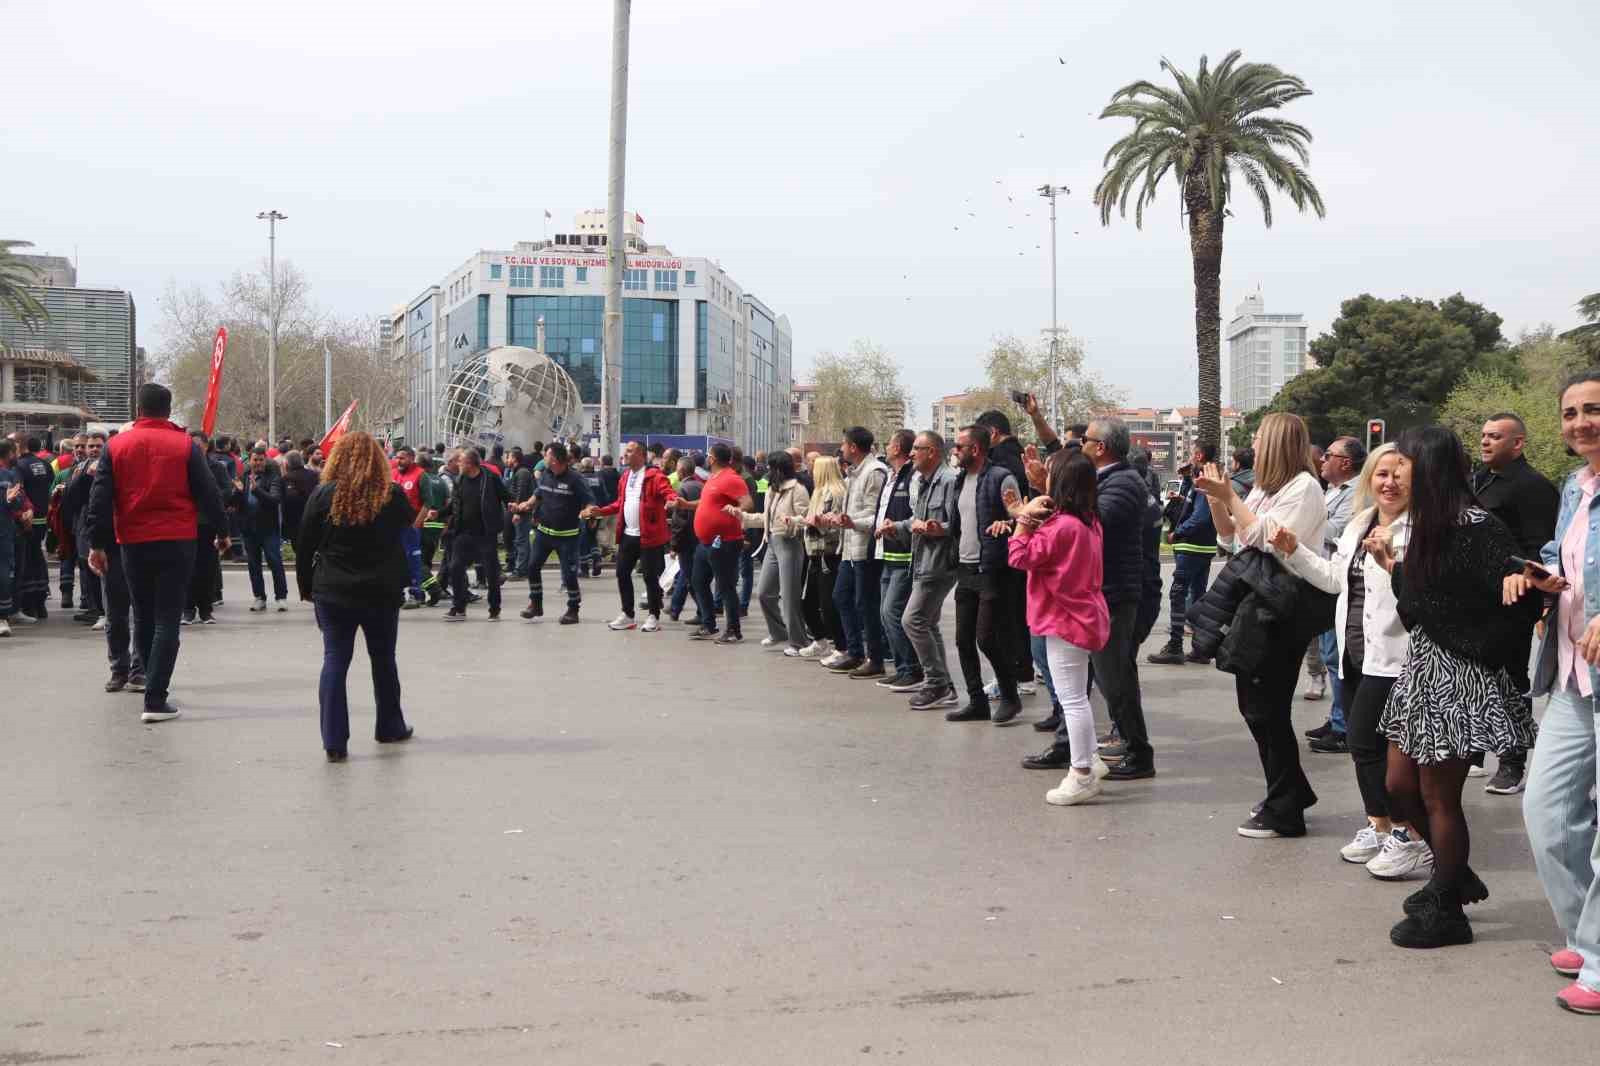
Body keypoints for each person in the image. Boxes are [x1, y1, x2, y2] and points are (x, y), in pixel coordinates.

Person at [1367, 426, 1541, 948]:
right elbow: (1418, 602)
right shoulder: (1428, 525)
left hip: (1461, 676)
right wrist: (1393, 568)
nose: (1395, 473)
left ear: (1430, 468)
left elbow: (1518, 592)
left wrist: (1496, 617)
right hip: (1423, 671)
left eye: (1405, 463)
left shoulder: (1476, 525)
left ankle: (1447, 908)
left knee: (1438, 797)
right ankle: (1453, 871)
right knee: (1398, 786)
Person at [1272, 444, 1427, 875]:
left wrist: (1392, 561)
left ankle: (1408, 833)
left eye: (1399, 474)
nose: (1389, 483)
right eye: (1381, 474)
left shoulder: (1422, 530)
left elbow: (1421, 594)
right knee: (1363, 747)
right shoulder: (1361, 522)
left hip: (1397, 658)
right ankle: (1379, 826)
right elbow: (1334, 579)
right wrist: (1293, 550)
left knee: (1372, 745)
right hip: (1355, 652)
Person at [1194, 412, 1328, 836]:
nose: (1252, 443)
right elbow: (1232, 536)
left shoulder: (1304, 487)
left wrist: (1231, 500)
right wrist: (1219, 499)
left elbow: (1266, 539)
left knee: (1265, 708)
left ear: (1276, 443)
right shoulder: (1266, 487)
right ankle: (1288, 792)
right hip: (1254, 601)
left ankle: (1286, 807)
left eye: (1258, 437)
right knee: (1255, 706)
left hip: (1281, 606)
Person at [1518, 370, 1600, 1012]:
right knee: (1546, 812)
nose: (1581, 423)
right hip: (1571, 672)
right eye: (1571, 412)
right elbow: (1566, 552)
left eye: (1594, 410)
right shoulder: (1576, 487)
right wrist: (1543, 574)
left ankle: (1598, 960)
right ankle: (1584, 929)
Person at [85, 384, 230, 721]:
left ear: (139, 409)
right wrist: (223, 532)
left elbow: (100, 499)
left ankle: (147, 683)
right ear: (168, 409)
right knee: (168, 618)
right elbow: (209, 493)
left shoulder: (117, 445)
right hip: (177, 540)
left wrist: (97, 544)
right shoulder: (184, 445)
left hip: (132, 542)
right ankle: (155, 697)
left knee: (144, 614)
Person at [1035, 417, 1154, 778]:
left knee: (1113, 678)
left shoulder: (1123, 483)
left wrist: (1049, 489)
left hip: (1114, 596)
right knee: (1077, 679)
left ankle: (1138, 752)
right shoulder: (1105, 479)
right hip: (1091, 595)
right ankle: (1069, 746)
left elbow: (1085, 523)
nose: (1078, 446)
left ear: (1100, 448)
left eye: (1083, 441)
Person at [295, 432, 415, 762]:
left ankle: (334, 739)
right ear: (378, 460)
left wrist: (306, 587)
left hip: (334, 589)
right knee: (383, 659)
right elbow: (407, 526)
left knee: (335, 659)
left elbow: (304, 545)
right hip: (381, 589)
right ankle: (390, 725)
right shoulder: (389, 494)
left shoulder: (323, 495)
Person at [1008, 450, 1112, 805]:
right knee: (1077, 697)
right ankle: (1091, 760)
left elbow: (1020, 556)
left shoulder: (1063, 526)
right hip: (1081, 614)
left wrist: (1022, 519)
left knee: (1073, 700)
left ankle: (1081, 773)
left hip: (1064, 618)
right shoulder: (1087, 520)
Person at [1472, 411, 1560, 795]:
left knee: (1509, 680)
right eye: (1484, 435)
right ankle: (1472, 748)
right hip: (1473, 599)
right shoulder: (1479, 480)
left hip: (1511, 599)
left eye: (1495, 436)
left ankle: (1512, 760)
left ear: (1518, 443)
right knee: (1474, 677)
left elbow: (1540, 549)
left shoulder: (1533, 487)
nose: (1485, 441)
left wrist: (1528, 589)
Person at [945, 424, 1024, 726]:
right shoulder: (960, 481)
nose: (955, 451)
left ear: (975, 450)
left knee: (987, 639)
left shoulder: (1001, 478)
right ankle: (976, 702)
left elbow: (1019, 516)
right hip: (965, 570)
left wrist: (1008, 525)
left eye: (959, 447)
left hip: (992, 569)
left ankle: (1009, 695)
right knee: (963, 640)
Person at [1303, 437, 1366, 751]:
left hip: (1338, 582)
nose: (1322, 460)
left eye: (1329, 455)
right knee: (1329, 654)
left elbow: (1338, 532)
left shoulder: (1356, 494)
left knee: (1335, 655)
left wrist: (1309, 518)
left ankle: (1344, 726)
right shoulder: (1332, 491)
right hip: (1323, 579)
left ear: (1346, 463)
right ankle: (1338, 718)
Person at [891, 432, 961, 709]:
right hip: (924, 559)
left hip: (939, 563)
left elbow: (956, 524)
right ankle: (944, 685)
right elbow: (917, 520)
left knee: (912, 620)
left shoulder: (949, 480)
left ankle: (937, 683)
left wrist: (936, 528)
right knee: (926, 622)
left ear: (931, 452)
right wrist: (896, 527)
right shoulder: (923, 481)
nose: (911, 454)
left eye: (917, 449)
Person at [975, 411, 1037, 699]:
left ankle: (1016, 676)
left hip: (1006, 545)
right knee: (1015, 616)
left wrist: (1011, 523)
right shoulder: (1020, 457)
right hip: (1020, 543)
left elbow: (1013, 507)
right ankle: (1023, 673)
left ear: (992, 432)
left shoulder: (1000, 464)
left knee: (1004, 620)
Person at [583, 440, 676, 632]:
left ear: (641, 455)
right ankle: (628, 615)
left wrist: (672, 501)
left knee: (650, 577)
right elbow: (619, 504)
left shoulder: (654, 476)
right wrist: (599, 512)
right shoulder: (625, 476)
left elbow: (668, 492)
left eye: (630, 451)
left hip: (649, 536)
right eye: (625, 451)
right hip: (628, 535)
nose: (625, 454)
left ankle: (653, 616)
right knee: (622, 573)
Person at [826, 427, 890, 677]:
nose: (841, 449)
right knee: (841, 596)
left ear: (853, 446)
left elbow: (875, 514)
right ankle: (854, 652)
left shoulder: (874, 472)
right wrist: (837, 519)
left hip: (865, 548)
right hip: (849, 549)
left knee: (866, 604)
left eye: (844, 444)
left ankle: (876, 657)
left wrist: (850, 520)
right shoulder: (854, 473)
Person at [1149, 442, 1218, 665]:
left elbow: (1201, 516)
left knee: (1178, 594)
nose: (1188, 457)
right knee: (1197, 596)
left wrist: (1178, 532)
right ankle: (1200, 648)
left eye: (1190, 453)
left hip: (1192, 547)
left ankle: (1176, 645)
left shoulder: (1206, 480)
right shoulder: (1197, 479)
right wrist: (1186, 480)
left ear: (1198, 455)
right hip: (1200, 547)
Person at [677, 442, 752, 644]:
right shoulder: (713, 478)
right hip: (706, 541)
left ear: (712, 459)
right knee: (698, 580)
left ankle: (733, 630)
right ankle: (708, 624)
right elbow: (705, 503)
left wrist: (737, 510)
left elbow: (747, 502)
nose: (707, 458)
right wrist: (685, 504)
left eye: (708, 455)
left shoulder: (731, 478)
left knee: (725, 585)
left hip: (725, 541)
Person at [736, 450, 810, 653]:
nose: (767, 471)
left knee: (789, 595)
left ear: (778, 469)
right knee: (764, 593)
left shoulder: (798, 489)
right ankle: (778, 632)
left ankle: (798, 641)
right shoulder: (772, 490)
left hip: (790, 544)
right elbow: (764, 518)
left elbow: (805, 519)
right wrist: (741, 516)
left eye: (770, 467)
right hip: (772, 544)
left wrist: (792, 522)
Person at [515, 442, 592, 624]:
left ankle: (573, 609)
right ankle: (535, 604)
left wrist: (589, 511)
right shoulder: (546, 475)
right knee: (532, 567)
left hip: (567, 536)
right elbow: (538, 495)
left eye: (546, 455)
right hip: (544, 534)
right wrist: (525, 505)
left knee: (569, 574)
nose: (544, 458)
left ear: (556, 459)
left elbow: (589, 501)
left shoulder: (576, 479)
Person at [874, 430, 921, 691]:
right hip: (886, 552)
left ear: (898, 448)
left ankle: (911, 669)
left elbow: (915, 514)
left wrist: (897, 529)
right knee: (885, 612)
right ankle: (902, 667)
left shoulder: (911, 477)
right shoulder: (891, 477)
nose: (887, 446)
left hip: (903, 555)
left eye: (890, 442)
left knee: (893, 612)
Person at [444, 448, 509, 621]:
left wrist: (515, 509)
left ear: (470, 464)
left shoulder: (490, 478)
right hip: (463, 532)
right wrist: (440, 513)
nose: (458, 464)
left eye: (461, 461)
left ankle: (494, 609)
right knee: (455, 567)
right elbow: (455, 504)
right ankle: (459, 607)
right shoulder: (460, 479)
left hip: (485, 533)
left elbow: (506, 496)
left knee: (491, 573)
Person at [799, 455, 847, 658]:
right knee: (807, 601)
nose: (810, 470)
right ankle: (820, 640)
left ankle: (841, 647)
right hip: (815, 552)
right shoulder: (818, 493)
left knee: (828, 604)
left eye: (814, 467)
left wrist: (817, 523)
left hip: (829, 553)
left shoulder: (834, 494)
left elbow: (835, 525)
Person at [234, 445, 288, 612]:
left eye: (261, 460)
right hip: (249, 528)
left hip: (268, 528)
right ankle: (259, 597)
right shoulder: (244, 476)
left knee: (275, 562)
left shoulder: (274, 478)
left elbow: (274, 500)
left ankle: (281, 597)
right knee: (253, 564)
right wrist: (236, 493)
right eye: (255, 460)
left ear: (266, 461)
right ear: (250, 461)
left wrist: (257, 491)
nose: (258, 463)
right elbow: (236, 502)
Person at [12, 436, 52, 621]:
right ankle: (40, 602)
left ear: (21, 445)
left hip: (26, 520)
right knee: (37, 557)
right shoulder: (44, 464)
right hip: (41, 519)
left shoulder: (19, 466)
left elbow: (18, 491)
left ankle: (29, 604)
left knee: (27, 561)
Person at [390, 447, 429, 608]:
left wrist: (416, 525)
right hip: (393, 527)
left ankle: (416, 594)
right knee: (394, 561)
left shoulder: (421, 475)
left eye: (402, 458)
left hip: (410, 527)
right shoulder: (393, 474)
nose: (398, 461)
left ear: (412, 459)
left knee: (412, 560)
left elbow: (428, 503)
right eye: (397, 458)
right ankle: (397, 594)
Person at [666, 456, 703, 621]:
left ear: (681, 471)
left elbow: (679, 521)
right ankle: (675, 608)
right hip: (700, 537)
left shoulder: (682, 489)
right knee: (689, 575)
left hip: (687, 540)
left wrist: (674, 544)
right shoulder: (702, 486)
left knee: (691, 578)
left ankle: (704, 611)